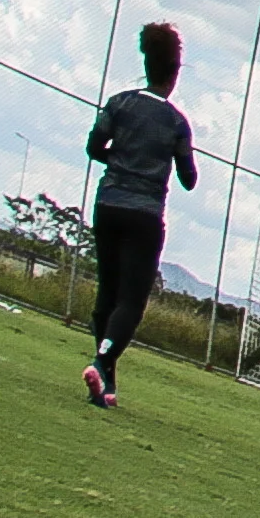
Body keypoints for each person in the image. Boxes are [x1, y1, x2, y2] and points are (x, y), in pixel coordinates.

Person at [75, 20, 194, 409]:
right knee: (130, 302)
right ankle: (101, 361)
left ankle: (106, 387)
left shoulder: (120, 103)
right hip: (144, 215)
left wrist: (120, 161)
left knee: (106, 295)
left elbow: (94, 146)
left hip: (108, 204)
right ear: (175, 72)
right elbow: (188, 178)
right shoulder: (176, 122)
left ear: (146, 62)